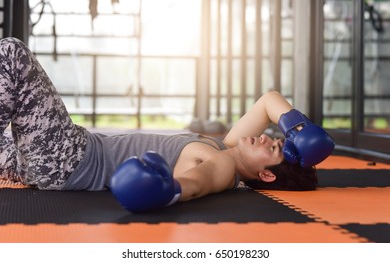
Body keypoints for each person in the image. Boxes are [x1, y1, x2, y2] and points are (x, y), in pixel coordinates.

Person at [0, 37, 334, 213]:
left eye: (274, 147)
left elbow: (195, 183)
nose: (266, 137)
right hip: (40, 165)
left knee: (12, 54)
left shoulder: (221, 165)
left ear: (266, 175)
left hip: (68, 157)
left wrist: (168, 190)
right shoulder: (230, 146)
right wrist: (297, 128)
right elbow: (269, 100)